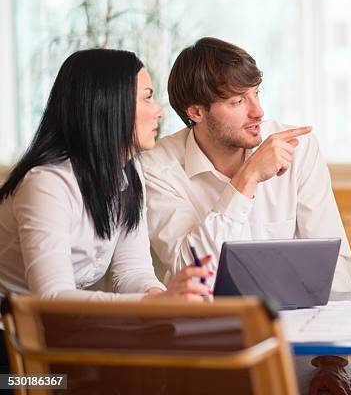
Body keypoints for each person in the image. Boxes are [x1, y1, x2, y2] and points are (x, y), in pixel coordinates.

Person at [140, 37, 351, 395]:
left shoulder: (298, 151)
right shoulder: (157, 168)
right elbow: (190, 273)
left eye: (256, 93)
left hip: (298, 336)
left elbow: (336, 268)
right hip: (207, 341)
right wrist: (247, 179)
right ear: (196, 112)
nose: (257, 111)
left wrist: (329, 358)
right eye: (237, 101)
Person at [0, 49, 211, 375]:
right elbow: (51, 299)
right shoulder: (47, 183)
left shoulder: (129, 172)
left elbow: (131, 271)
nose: (158, 112)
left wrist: (164, 297)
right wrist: (154, 304)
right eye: (147, 98)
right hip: (11, 355)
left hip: (55, 336)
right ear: (108, 105)